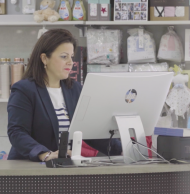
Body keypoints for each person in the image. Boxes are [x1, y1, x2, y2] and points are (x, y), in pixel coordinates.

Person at [7, 29, 122, 162]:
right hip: (31, 169)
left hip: (64, 168)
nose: (70, 62)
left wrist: (122, 149)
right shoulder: (24, 90)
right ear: (44, 58)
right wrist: (45, 154)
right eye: (64, 56)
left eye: (71, 56)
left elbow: (89, 131)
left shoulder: (75, 89)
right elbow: (17, 132)